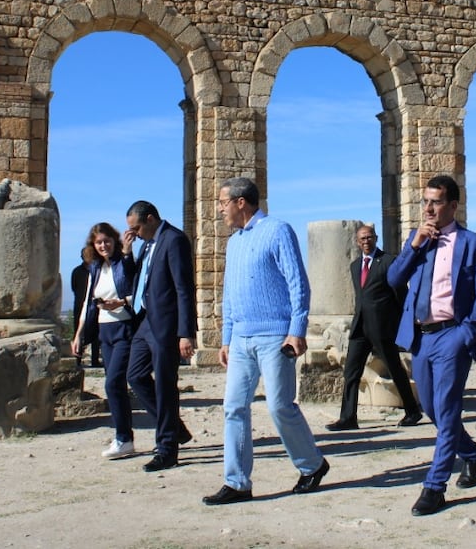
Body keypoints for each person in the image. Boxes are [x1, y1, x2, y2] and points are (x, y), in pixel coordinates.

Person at [202, 177, 328, 505]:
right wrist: (227, 338)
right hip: (242, 338)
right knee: (233, 408)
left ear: (241, 202)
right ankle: (237, 482)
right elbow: (229, 294)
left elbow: (298, 282)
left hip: (275, 336)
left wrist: (297, 329)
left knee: (279, 406)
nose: (219, 208)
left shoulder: (278, 230)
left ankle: (312, 465)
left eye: (222, 202)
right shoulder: (234, 242)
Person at [387, 174, 476, 517]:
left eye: (435, 202)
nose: (428, 208)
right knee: (432, 409)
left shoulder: (473, 243)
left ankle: (435, 486)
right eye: (425, 202)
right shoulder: (418, 240)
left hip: (452, 335)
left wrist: (466, 333)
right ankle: (473, 456)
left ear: (452, 205)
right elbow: (393, 279)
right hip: (420, 336)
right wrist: (414, 245)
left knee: (447, 411)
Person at [121, 200, 198, 472]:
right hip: (144, 322)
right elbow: (134, 281)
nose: (134, 232)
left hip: (165, 326)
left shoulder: (174, 239)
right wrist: (127, 252)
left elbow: (184, 288)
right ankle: (175, 429)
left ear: (151, 218)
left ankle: (167, 448)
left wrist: (185, 333)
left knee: (165, 386)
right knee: (135, 375)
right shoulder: (146, 244)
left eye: (136, 227)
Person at [325, 225, 422, 431]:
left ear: (375, 238)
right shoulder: (354, 266)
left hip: (382, 328)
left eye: (369, 237)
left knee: (395, 368)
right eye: (362, 239)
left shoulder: (388, 261)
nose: (366, 241)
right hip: (360, 328)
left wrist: (400, 323)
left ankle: (412, 411)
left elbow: (400, 296)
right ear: (357, 242)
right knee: (351, 372)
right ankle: (348, 417)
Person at [70, 223, 140, 460]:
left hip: (124, 328)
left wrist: (120, 303)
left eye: (107, 241)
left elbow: (138, 290)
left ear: (115, 240)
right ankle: (126, 439)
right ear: (93, 245)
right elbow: (87, 303)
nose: (103, 245)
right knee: (116, 386)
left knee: (112, 384)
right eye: (99, 242)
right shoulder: (95, 268)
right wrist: (79, 334)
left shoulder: (125, 261)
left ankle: (122, 438)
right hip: (104, 329)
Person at [69, 251, 101, 367]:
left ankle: (95, 360)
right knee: (78, 332)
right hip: (79, 305)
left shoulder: (98, 269)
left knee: (96, 334)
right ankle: (77, 359)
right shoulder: (77, 271)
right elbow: (74, 287)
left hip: (94, 304)